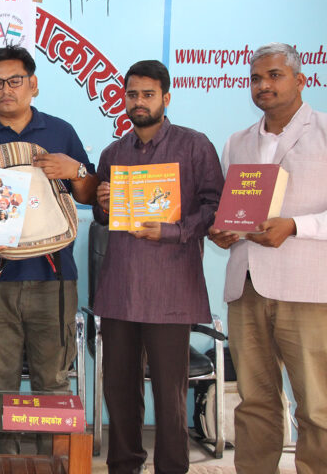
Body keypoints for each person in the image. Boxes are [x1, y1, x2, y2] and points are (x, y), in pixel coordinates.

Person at [0, 45, 98, 454]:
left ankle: (53, 463)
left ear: (33, 84)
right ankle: (2, 463)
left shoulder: (60, 132)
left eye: (15, 81)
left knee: (53, 382)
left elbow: (88, 194)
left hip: (53, 278)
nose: (6, 90)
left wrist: (76, 170)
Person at [93, 60, 224, 474]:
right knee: (118, 391)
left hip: (171, 289)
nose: (139, 102)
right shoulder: (113, 153)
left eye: (148, 94)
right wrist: (102, 204)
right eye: (132, 94)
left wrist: (172, 231)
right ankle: (123, 466)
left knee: (170, 395)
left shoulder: (194, 146)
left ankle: (172, 468)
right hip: (120, 289)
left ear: (166, 98)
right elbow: (104, 218)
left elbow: (215, 207)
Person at [208, 43, 327, 474]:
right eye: (256, 78)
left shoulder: (324, 132)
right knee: (254, 402)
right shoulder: (237, 142)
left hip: (308, 290)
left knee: (317, 404)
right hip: (246, 288)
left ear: (301, 80)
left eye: (275, 75)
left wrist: (294, 226)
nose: (264, 85)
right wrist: (221, 232)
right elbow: (230, 211)